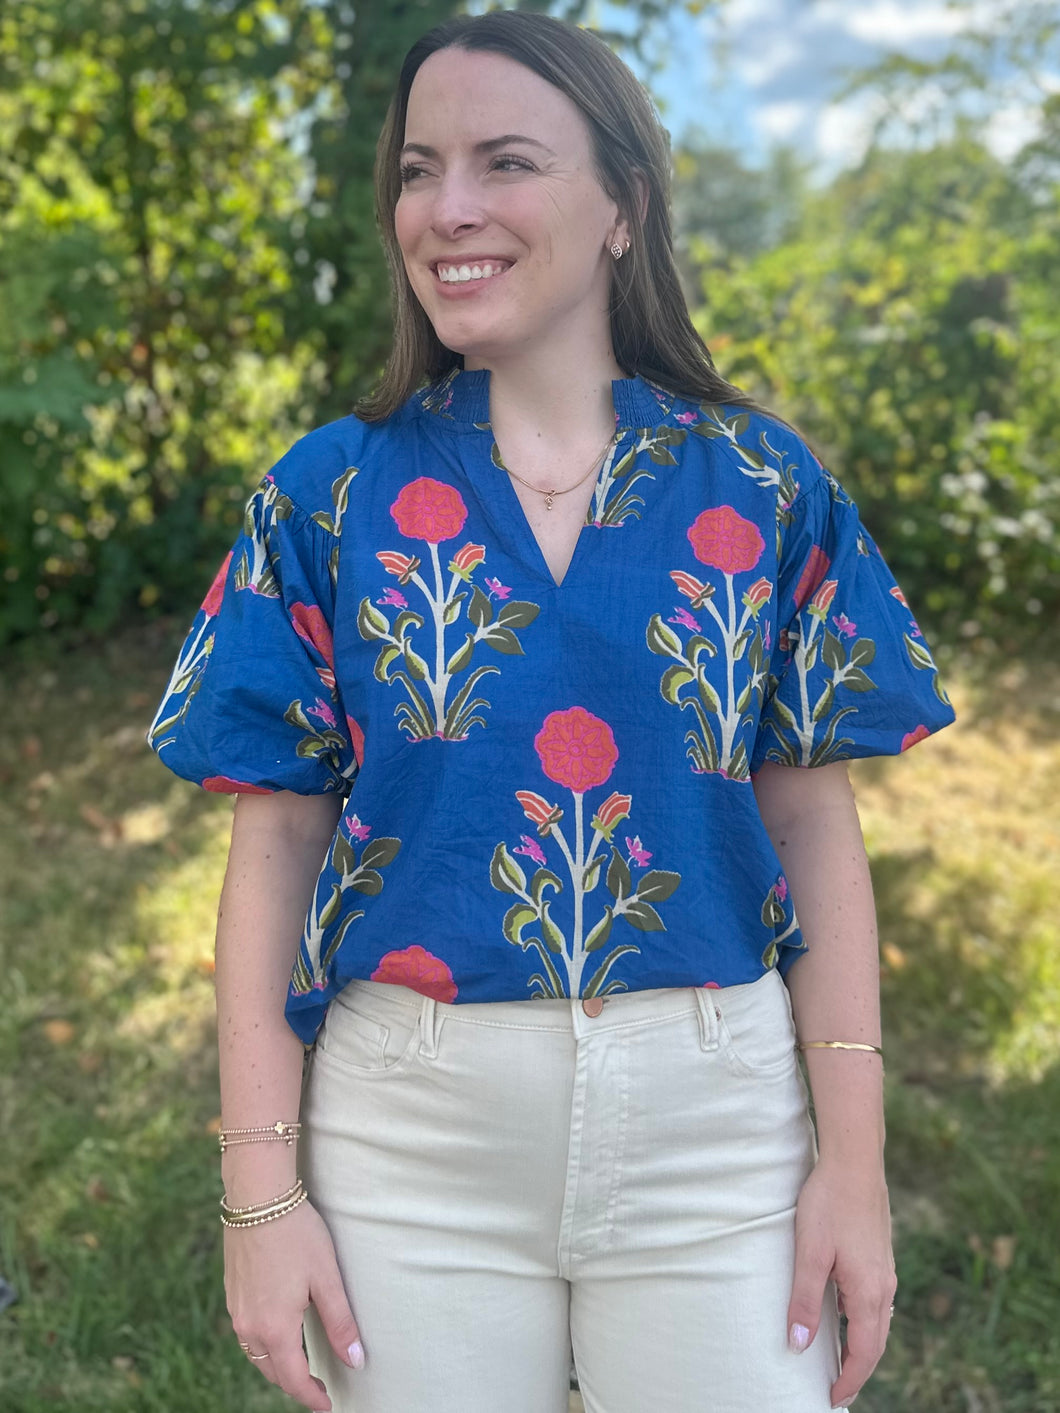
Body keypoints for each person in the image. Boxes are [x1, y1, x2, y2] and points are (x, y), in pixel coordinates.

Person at [147, 10, 955, 1412]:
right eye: (417, 168)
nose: (446, 209)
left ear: (625, 208)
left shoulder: (762, 487)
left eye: (505, 161)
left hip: (720, 1137)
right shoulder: (323, 496)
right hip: (411, 1140)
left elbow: (815, 827)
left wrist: (855, 1164)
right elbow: (273, 850)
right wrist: (261, 1200)